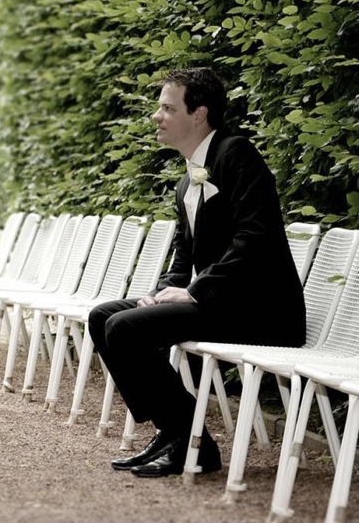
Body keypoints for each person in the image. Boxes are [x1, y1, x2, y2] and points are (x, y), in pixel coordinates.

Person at [87, 67, 305, 478]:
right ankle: (180, 433)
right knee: (103, 316)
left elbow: (254, 240)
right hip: (219, 304)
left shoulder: (236, 153)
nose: (157, 116)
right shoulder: (187, 180)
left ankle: (188, 440)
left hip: (261, 310)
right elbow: (183, 254)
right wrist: (166, 289)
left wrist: (195, 291)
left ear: (199, 114)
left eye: (167, 108)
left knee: (126, 328)